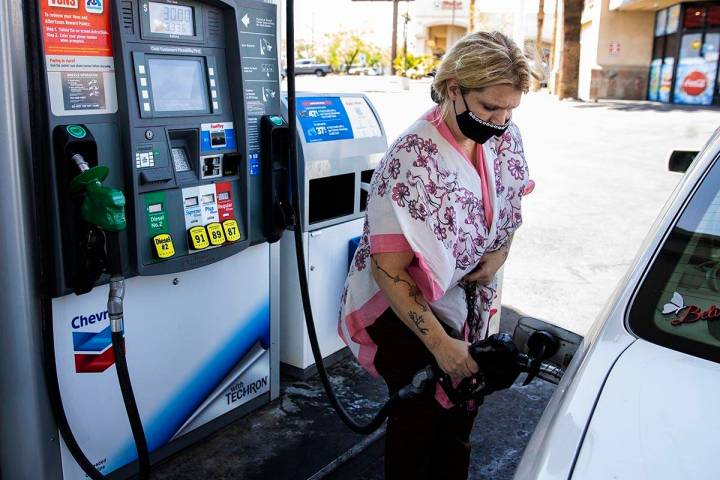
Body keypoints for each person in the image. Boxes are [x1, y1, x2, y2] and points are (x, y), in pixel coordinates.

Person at [338, 31, 536, 479]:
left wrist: (500, 250)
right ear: (453, 90)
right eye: (490, 107)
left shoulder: (503, 138)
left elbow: (510, 205)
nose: (502, 120)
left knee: (461, 415)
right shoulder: (412, 159)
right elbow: (387, 270)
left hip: (464, 301)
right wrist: (441, 346)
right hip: (405, 313)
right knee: (419, 426)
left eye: (510, 109)